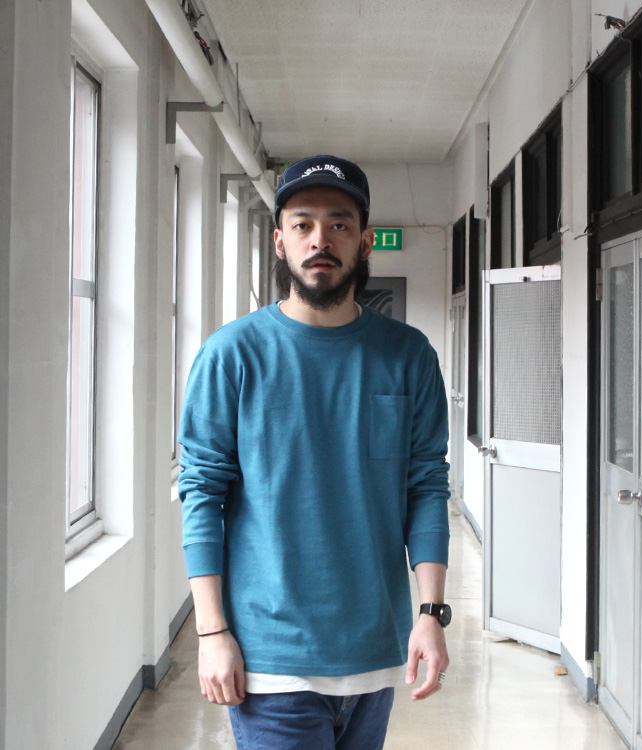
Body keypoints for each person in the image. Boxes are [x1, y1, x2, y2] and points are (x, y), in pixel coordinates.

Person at [178, 155, 452, 749]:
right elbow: (201, 492)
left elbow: (427, 485)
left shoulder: (408, 355)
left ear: (365, 240)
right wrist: (212, 632)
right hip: (271, 658)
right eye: (302, 224)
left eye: (339, 224)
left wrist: (431, 613)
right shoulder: (232, 355)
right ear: (280, 242)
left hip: (374, 650)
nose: (320, 240)